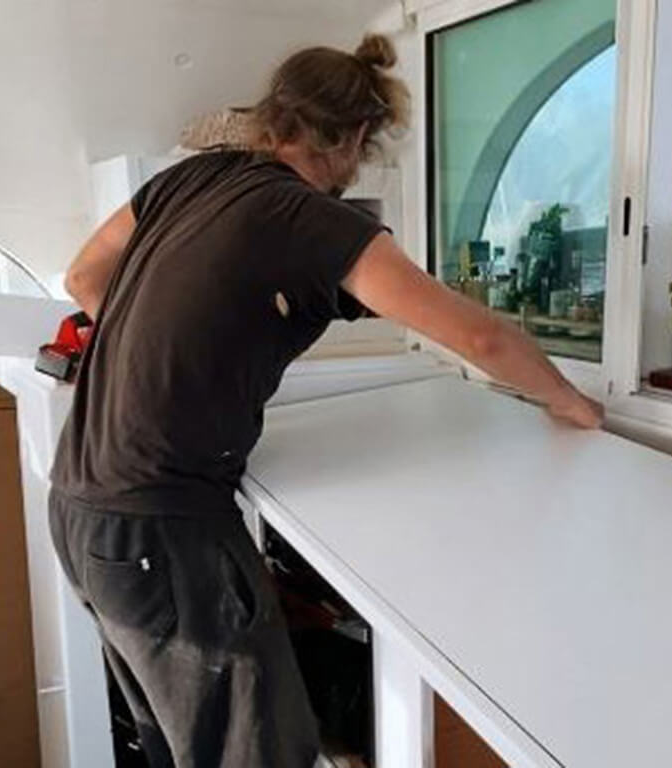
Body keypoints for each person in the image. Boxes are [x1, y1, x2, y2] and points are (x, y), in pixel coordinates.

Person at [48, 33, 603, 768]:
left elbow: (83, 276)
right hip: (161, 532)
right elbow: (481, 340)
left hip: (80, 510)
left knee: (185, 745)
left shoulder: (190, 179)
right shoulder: (313, 221)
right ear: (356, 137)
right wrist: (570, 401)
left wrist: (164, 353)